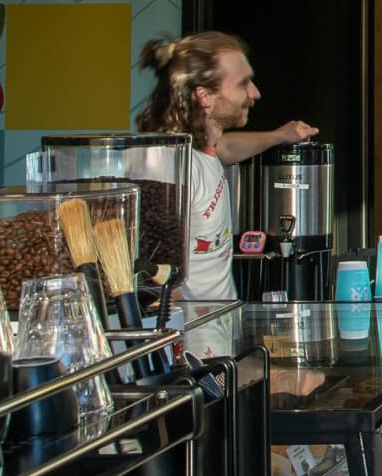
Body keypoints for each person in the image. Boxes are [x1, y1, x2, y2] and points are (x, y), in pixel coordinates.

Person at [133, 33, 315, 302]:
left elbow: (225, 149)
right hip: (191, 340)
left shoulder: (203, 153)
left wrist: (280, 136)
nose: (255, 93)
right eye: (243, 83)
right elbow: (153, 278)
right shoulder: (164, 163)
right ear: (204, 95)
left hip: (216, 333)